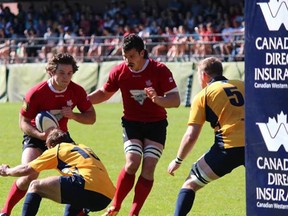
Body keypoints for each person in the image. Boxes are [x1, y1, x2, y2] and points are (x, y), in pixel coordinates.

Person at [88, 33, 180, 216]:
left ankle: (134, 213)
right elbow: (104, 93)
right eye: (124, 56)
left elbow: (175, 100)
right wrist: (83, 100)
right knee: (132, 163)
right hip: (132, 124)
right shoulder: (119, 71)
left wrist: (158, 99)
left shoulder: (159, 70)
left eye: (131, 56)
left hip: (156, 125)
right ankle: (115, 205)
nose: (127, 60)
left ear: (142, 53)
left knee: (149, 166)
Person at [0, 52, 96, 216]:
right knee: (29, 174)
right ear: (51, 72)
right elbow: (23, 122)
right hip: (36, 137)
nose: (66, 77)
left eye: (69, 73)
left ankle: (78, 211)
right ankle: (5, 211)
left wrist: (74, 115)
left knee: (80, 174)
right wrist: (40, 134)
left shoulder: (77, 91)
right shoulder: (36, 92)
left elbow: (91, 118)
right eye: (61, 73)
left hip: (61, 139)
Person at [167, 57, 245, 215]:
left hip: (227, 148)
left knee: (190, 183)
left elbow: (191, 135)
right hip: (255, 145)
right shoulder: (242, 84)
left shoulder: (204, 95)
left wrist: (178, 160)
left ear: (203, 75)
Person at [0, 128, 115, 216]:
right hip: (106, 196)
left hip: (86, 185)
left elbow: (27, 169)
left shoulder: (58, 149)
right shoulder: (83, 147)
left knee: (35, 186)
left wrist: (7, 171)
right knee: (72, 204)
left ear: (52, 145)